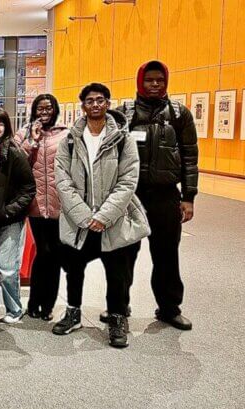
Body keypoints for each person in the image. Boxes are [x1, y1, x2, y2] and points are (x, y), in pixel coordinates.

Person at [54, 83, 149, 348]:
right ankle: (73, 312)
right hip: (79, 221)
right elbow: (63, 181)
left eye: (100, 100)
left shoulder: (123, 140)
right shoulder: (70, 141)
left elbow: (128, 180)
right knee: (74, 269)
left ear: (107, 103)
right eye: (89, 101)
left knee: (117, 272)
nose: (95, 104)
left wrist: (105, 215)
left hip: (114, 220)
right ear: (82, 105)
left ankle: (117, 318)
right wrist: (85, 216)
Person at [115, 60, 198, 331]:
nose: (155, 85)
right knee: (125, 253)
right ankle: (118, 305)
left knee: (166, 254)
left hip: (166, 196)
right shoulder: (124, 114)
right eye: (149, 80)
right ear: (140, 81)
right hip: (131, 195)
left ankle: (169, 308)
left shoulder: (179, 114)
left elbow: (190, 156)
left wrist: (189, 196)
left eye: (159, 81)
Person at [0, 108, 35, 324]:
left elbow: (28, 188)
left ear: (6, 127)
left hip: (11, 219)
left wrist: (9, 210)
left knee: (8, 268)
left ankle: (14, 308)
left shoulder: (14, 152)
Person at [16, 94, 69, 320]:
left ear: (55, 110)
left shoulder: (66, 134)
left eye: (48, 108)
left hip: (59, 202)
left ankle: (47, 304)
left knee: (55, 253)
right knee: (43, 251)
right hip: (35, 202)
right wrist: (33, 140)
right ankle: (34, 301)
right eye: (40, 108)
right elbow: (16, 161)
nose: (44, 112)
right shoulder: (23, 133)